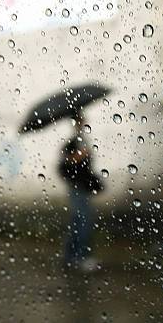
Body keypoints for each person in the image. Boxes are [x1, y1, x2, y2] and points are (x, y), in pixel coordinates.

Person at [58, 113, 103, 270]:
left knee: (79, 221)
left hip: (83, 187)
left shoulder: (83, 140)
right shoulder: (72, 143)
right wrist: (79, 156)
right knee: (82, 221)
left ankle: (70, 257)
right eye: (80, 120)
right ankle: (79, 257)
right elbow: (63, 163)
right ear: (76, 123)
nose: (83, 123)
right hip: (76, 187)